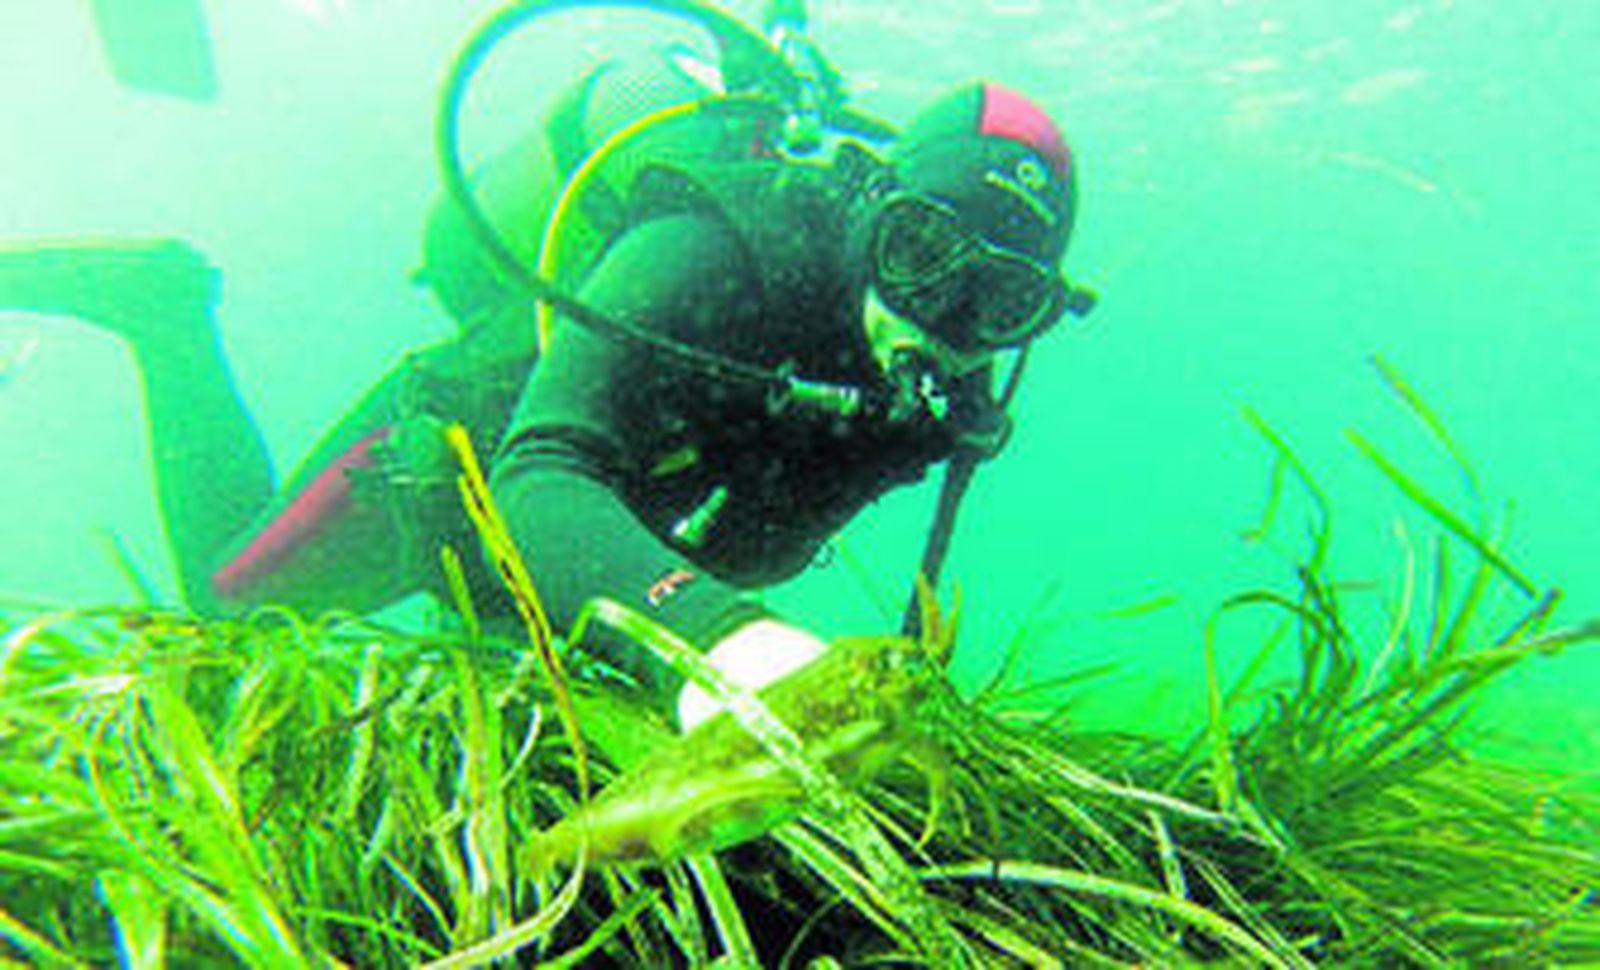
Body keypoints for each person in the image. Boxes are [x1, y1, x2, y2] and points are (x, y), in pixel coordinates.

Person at [0, 47, 1089, 729]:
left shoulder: (939, 398)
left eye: (997, 304)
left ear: (1033, 315)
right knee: (224, 598)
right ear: (872, 210)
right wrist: (724, 640)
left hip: (595, 549)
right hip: (461, 454)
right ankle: (163, 311)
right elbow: (545, 466)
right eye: (917, 253)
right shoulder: (716, 237)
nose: (942, 317)